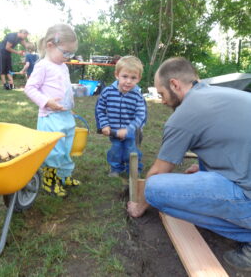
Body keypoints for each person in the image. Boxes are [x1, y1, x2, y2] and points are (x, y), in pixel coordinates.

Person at [127, 56, 251, 272]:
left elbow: (159, 172)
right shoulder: (221, 94)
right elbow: (226, 143)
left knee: (155, 189)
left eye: (162, 94)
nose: (162, 100)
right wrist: (204, 168)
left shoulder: (184, 115)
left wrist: (140, 205)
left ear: (174, 84)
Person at [24, 24, 80, 197]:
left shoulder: (62, 66)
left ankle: (64, 175)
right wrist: (46, 101)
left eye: (70, 54)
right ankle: (50, 181)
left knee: (66, 147)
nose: (68, 57)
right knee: (54, 150)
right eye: (65, 53)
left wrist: (69, 105)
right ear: (50, 45)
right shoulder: (43, 66)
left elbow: (63, 87)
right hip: (50, 117)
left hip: (64, 115)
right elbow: (30, 88)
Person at [95, 56, 147, 177]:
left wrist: (128, 130)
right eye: (125, 76)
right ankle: (116, 168)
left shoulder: (137, 96)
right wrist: (105, 125)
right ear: (117, 75)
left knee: (131, 150)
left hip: (132, 132)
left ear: (138, 78)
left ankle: (133, 169)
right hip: (113, 130)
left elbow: (140, 116)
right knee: (116, 150)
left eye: (133, 78)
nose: (128, 81)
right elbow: (100, 110)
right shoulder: (108, 92)